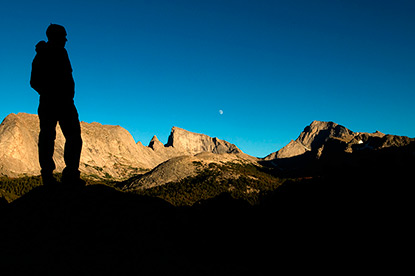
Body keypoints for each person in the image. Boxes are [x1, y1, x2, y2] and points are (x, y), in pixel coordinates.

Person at [30, 24, 84, 187]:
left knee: (56, 137)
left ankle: (58, 175)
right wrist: (51, 92)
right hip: (56, 102)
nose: (66, 39)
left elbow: (35, 82)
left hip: (61, 102)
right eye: (63, 36)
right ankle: (63, 175)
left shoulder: (56, 53)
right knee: (56, 136)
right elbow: (34, 82)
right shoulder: (46, 54)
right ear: (56, 36)